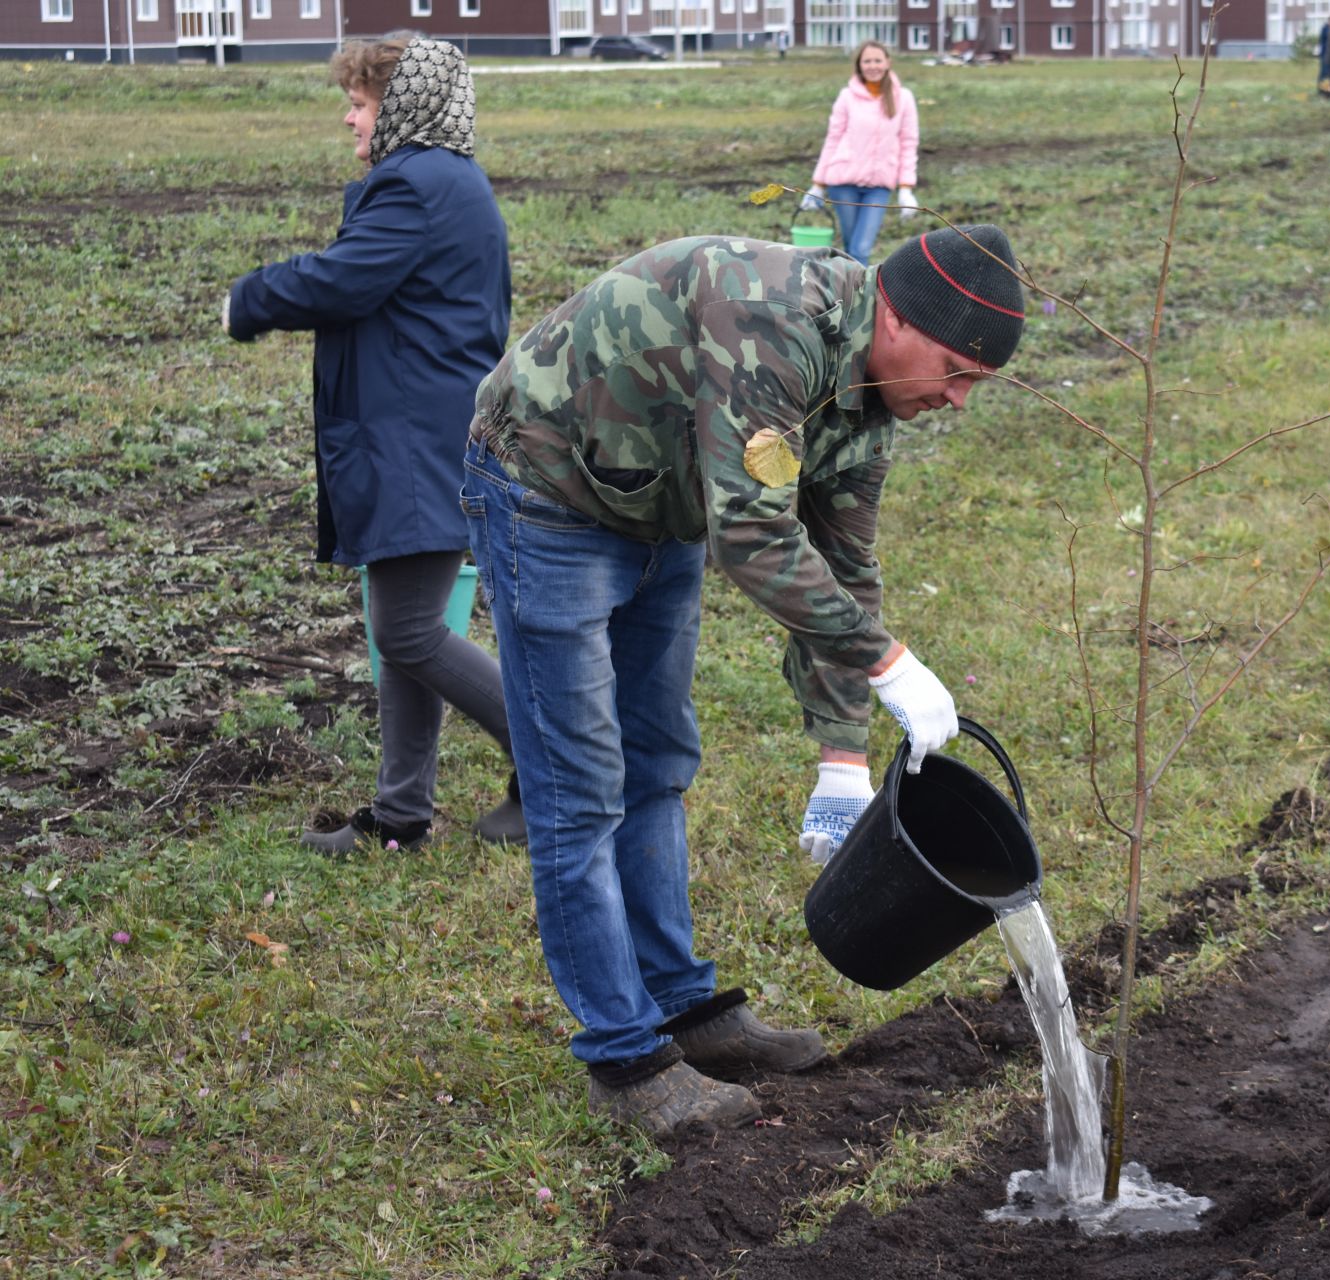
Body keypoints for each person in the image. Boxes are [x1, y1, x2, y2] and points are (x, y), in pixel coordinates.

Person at [460, 225, 1026, 1137]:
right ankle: (624, 1056)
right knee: (581, 789)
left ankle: (685, 1008)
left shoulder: (878, 398)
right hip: (549, 488)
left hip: (657, 509)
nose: (957, 400)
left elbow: (843, 566)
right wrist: (886, 663)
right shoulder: (775, 320)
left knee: (659, 762)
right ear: (896, 313)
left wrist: (843, 754)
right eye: (955, 371)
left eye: (975, 385)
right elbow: (754, 536)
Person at [224, 33, 522, 854]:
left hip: (417, 441)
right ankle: (400, 818)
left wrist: (247, 300)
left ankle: (551, 767)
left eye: (358, 104)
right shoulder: (448, 180)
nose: (349, 121)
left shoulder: (416, 183)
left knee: (408, 633)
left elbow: (343, 279)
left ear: (398, 108)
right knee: (407, 628)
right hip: (425, 433)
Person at [800, 41, 920, 266]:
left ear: (888, 63)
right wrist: (818, 184)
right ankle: (849, 294)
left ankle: (858, 297)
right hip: (843, 183)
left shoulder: (903, 98)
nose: (872, 66)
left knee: (861, 247)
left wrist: (906, 189)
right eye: (867, 61)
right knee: (850, 248)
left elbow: (909, 143)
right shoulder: (847, 97)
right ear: (859, 65)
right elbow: (832, 139)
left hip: (879, 187)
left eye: (877, 60)